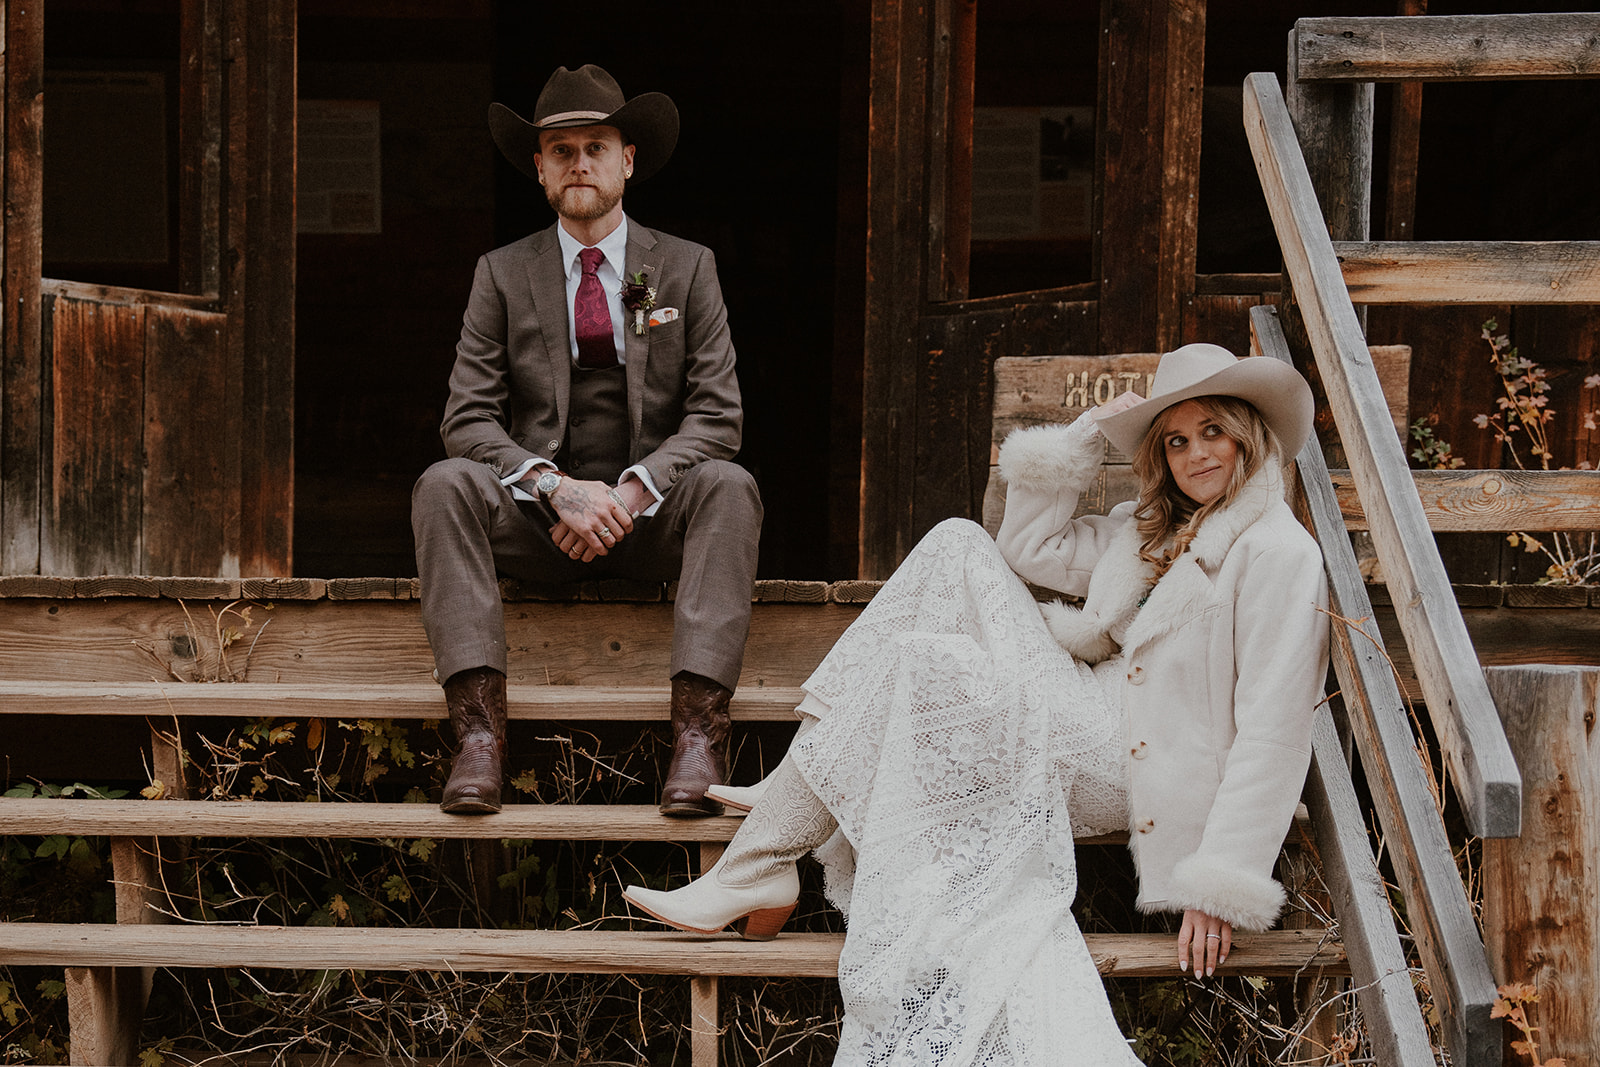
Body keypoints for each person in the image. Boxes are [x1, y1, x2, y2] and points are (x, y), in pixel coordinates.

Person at [624, 344, 1330, 1064]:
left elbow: (1275, 730)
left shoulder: (1280, 554)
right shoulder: (1150, 527)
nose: (1194, 454)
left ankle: (781, 821)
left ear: (1248, 433)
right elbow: (1025, 545)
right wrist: (1085, 434)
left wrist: (1221, 880)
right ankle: (782, 825)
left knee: (924, 659)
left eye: (1212, 431)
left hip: (1137, 757)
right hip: (1088, 702)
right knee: (957, 544)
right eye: (1175, 439)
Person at [412, 65, 762, 818]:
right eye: (560, 150)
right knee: (442, 482)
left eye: (595, 147)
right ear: (538, 168)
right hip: (541, 523)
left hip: (653, 521)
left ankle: (699, 738)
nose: (579, 163)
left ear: (627, 160)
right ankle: (478, 739)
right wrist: (555, 489)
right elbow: (467, 418)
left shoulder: (682, 269)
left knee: (731, 487)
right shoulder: (502, 275)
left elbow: (718, 415)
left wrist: (629, 494)